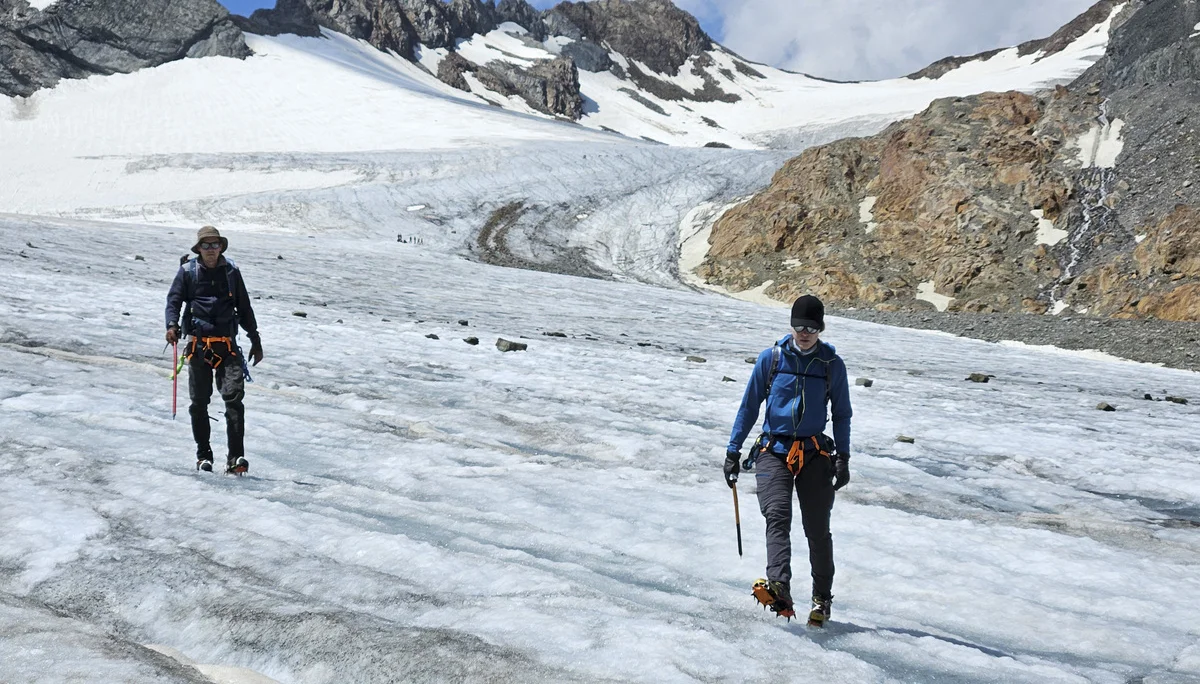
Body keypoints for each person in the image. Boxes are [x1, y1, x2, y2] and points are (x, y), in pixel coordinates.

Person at [723, 294, 852, 627]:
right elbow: (749, 407)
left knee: (817, 530)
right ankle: (779, 587)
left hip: (814, 453)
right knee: (776, 516)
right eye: (798, 326)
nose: (804, 332)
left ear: (820, 328)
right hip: (773, 451)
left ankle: (821, 599)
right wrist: (732, 451)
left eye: (811, 327)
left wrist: (844, 458)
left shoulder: (830, 366)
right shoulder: (772, 359)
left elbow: (841, 414)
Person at [165, 226, 263, 474]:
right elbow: (174, 301)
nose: (210, 249)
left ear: (221, 246)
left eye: (214, 244)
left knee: (234, 400)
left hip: (227, 347)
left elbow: (244, 307)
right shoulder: (188, 272)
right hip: (198, 347)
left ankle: (235, 458)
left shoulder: (231, 272)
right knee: (199, 402)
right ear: (198, 248)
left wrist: (255, 339)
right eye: (206, 245)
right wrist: (172, 325)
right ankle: (203, 455)